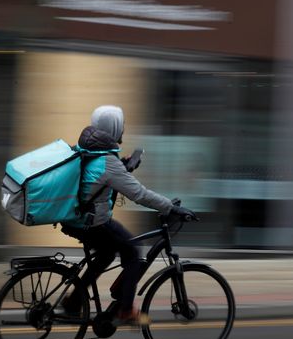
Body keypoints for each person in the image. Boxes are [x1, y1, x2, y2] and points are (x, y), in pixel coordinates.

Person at [61, 105, 196, 324]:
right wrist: (170, 208)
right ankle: (125, 310)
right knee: (133, 252)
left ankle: (73, 301)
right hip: (91, 222)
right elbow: (139, 194)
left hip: (78, 219)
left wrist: (124, 167)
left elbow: (97, 176)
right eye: (121, 126)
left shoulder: (90, 148)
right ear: (113, 128)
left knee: (106, 254)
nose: (123, 130)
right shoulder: (108, 162)